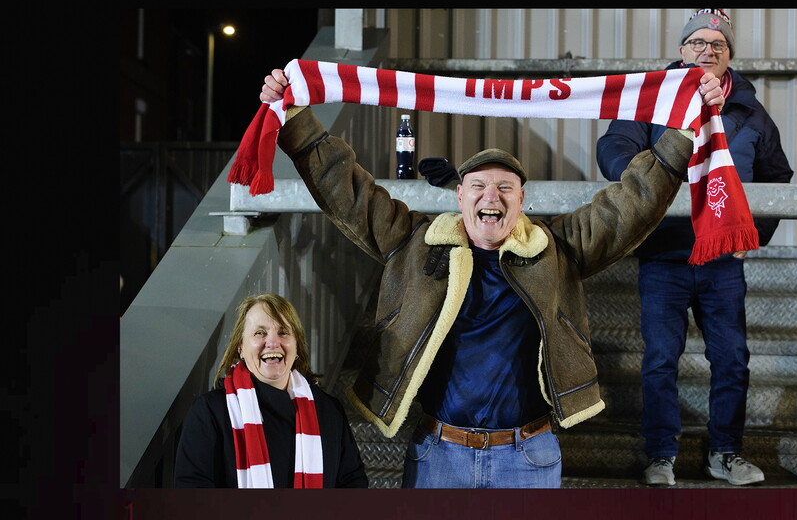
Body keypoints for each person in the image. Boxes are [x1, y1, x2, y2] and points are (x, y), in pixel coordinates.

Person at [259, 66, 725, 488]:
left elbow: (633, 202)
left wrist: (683, 132)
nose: (492, 197)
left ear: (521, 200)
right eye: (479, 186)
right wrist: (295, 116)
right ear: (459, 197)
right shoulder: (415, 241)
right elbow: (348, 191)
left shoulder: (557, 250)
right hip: (437, 454)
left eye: (505, 187)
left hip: (528, 457)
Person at [596, 8, 795, 487]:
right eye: (698, 43)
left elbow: (778, 178)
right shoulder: (650, 100)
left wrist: (753, 235)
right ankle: (661, 455)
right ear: (682, 50)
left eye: (718, 45)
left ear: (728, 56)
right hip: (665, 256)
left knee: (731, 359)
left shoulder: (748, 110)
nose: (708, 51)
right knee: (661, 358)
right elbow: (612, 151)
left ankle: (725, 453)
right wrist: (646, 183)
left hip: (723, 259)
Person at [174, 293, 369, 488]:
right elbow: (192, 494)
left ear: (297, 346)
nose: (273, 342)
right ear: (240, 347)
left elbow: (353, 483)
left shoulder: (328, 410)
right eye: (260, 333)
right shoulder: (210, 411)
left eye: (283, 332)